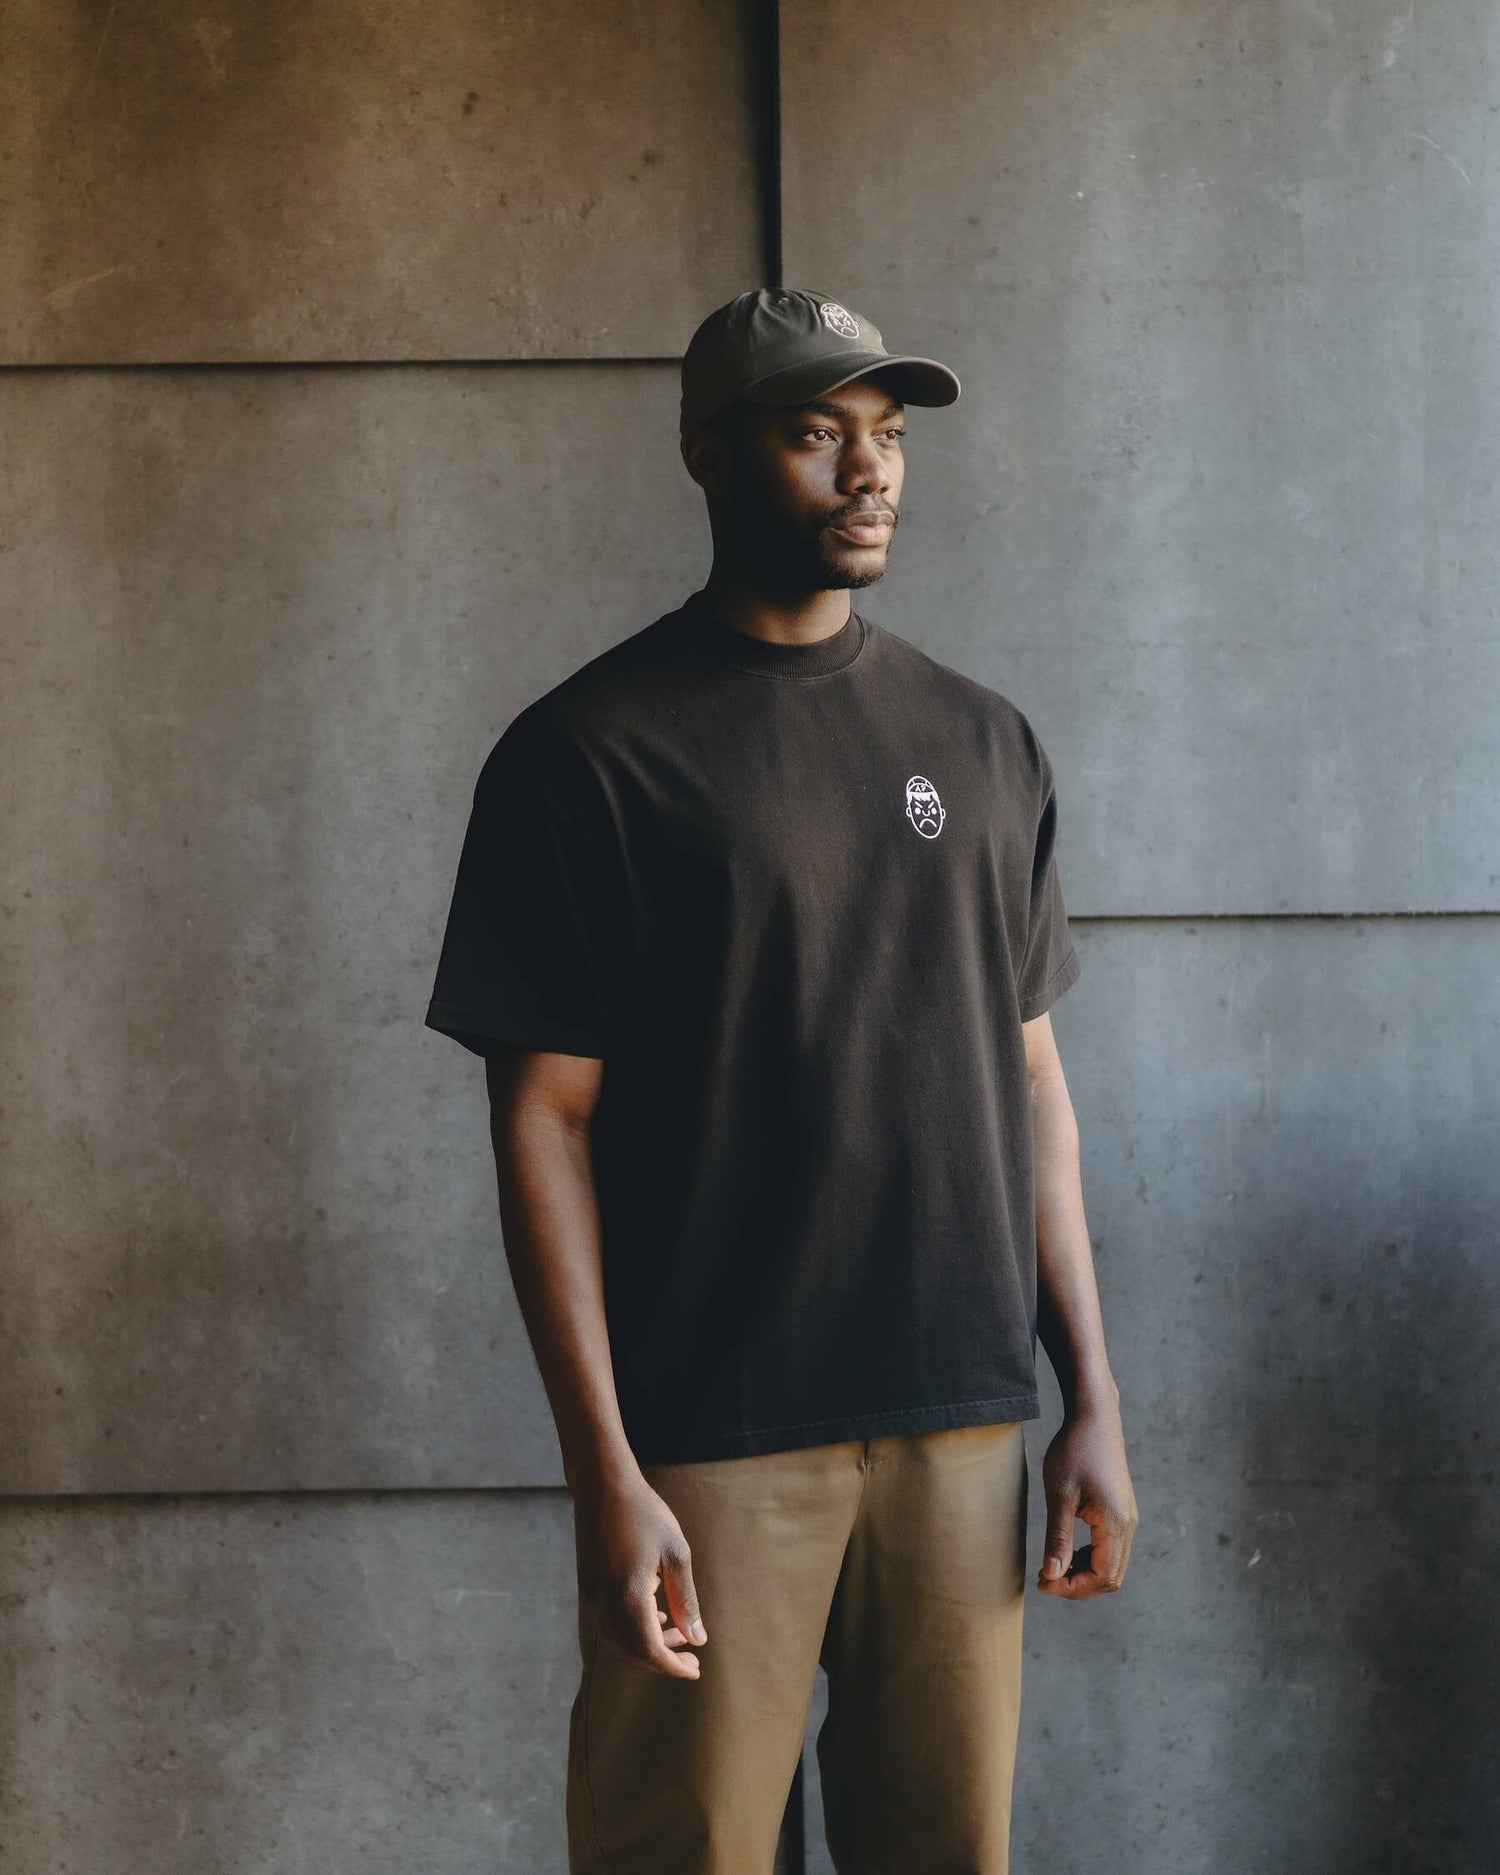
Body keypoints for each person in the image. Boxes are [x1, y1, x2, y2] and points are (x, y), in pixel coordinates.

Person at [424, 287, 1139, 1875]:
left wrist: (1088, 1395)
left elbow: (1033, 1087)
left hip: (962, 1421)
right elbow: (542, 1119)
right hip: (714, 1436)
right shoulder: (589, 754)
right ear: (710, 458)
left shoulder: (983, 739)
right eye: (817, 434)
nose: (867, 472)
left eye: (886, 438)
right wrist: (606, 1473)